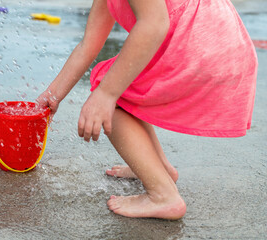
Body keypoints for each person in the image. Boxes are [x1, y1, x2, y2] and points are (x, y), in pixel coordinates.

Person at [36, 0, 257, 219]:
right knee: (119, 84)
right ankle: (159, 169)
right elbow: (89, 44)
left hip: (202, 47)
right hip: (215, 44)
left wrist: (106, 95)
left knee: (109, 94)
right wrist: (53, 95)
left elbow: (153, 23)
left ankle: (163, 195)